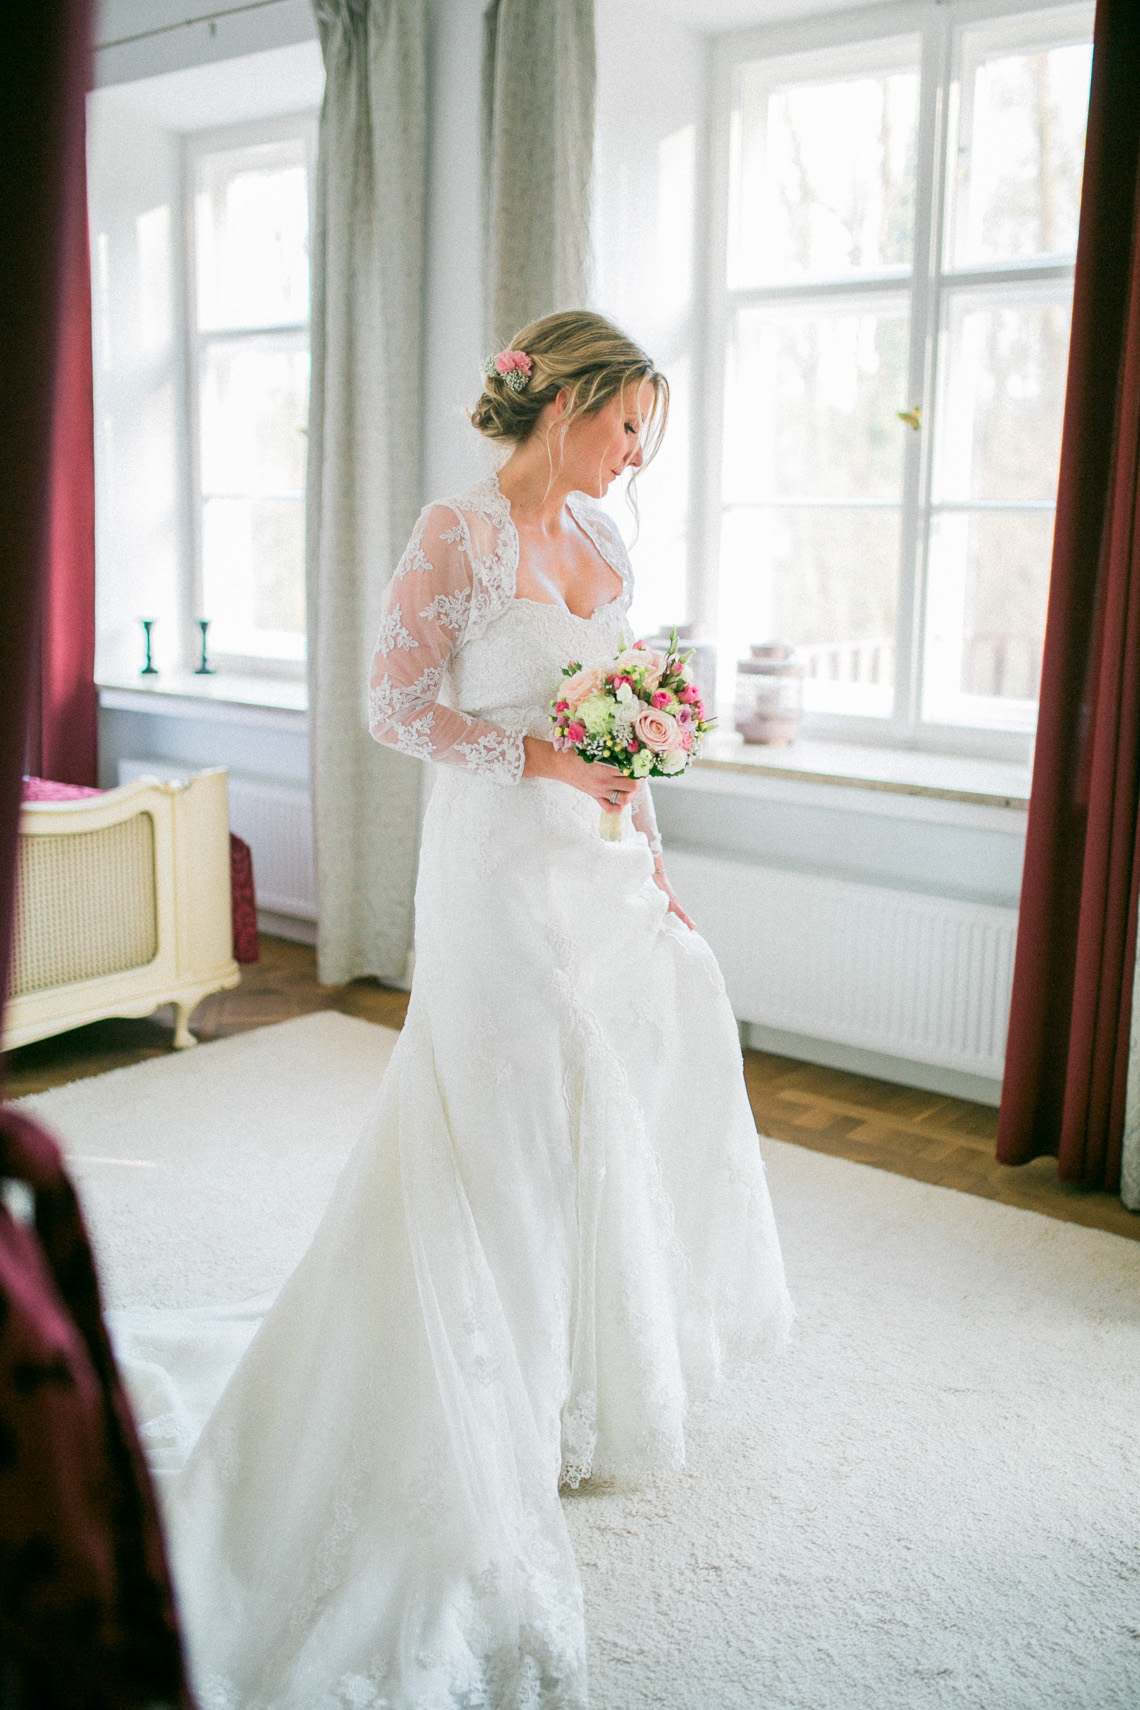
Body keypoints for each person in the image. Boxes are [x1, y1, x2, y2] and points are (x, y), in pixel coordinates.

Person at [165, 309, 792, 1709]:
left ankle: (575, 1382)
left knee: (603, 1105)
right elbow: (394, 708)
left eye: (646, 435)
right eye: (627, 425)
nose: (636, 456)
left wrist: (654, 861)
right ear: (563, 405)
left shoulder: (608, 541)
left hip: (597, 866)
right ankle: (483, 1386)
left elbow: (622, 729)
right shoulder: (458, 535)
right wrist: (543, 761)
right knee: (505, 1108)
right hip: (497, 863)